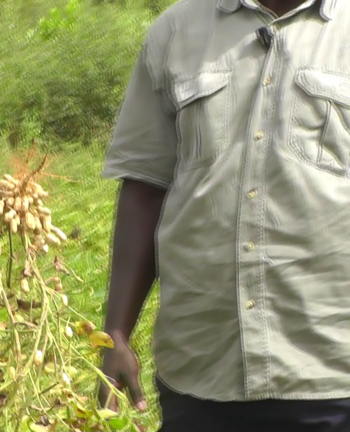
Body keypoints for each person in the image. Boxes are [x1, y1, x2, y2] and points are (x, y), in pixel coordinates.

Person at [98, 0, 350, 431]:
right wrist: (115, 333)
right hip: (203, 368)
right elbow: (145, 187)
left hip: (332, 367)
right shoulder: (176, 31)